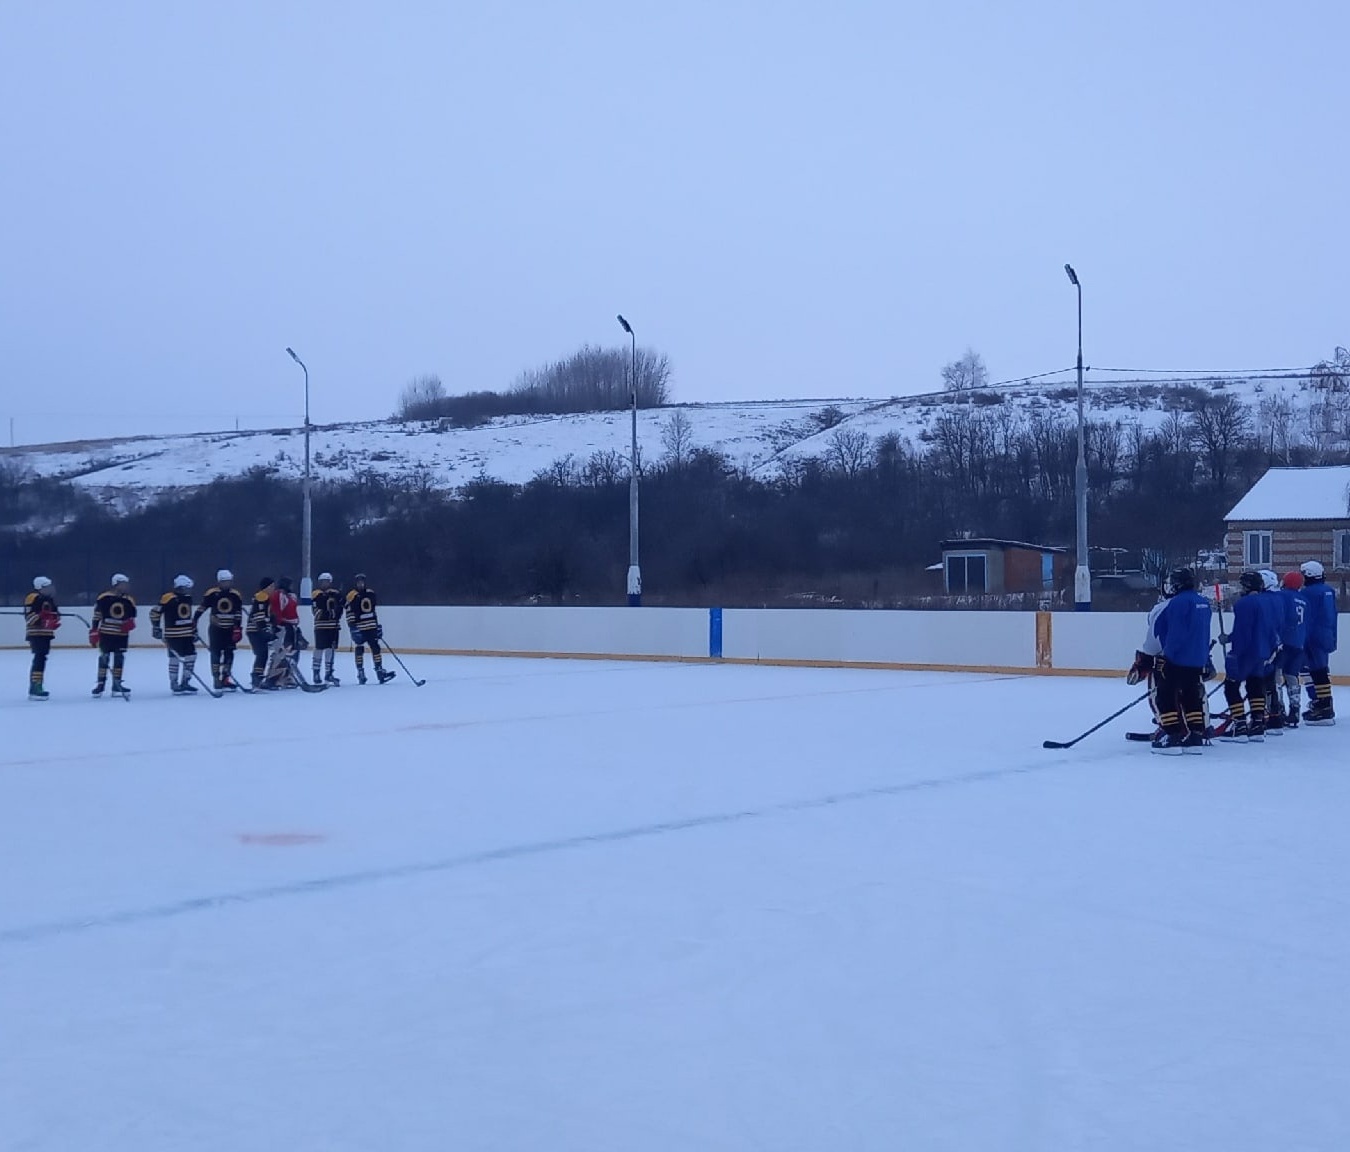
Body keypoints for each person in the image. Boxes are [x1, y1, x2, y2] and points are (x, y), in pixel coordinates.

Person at [1151, 567, 1212, 754]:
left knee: (1165, 695)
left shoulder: (1177, 603)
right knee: (1192, 697)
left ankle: (1172, 736)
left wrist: (1166, 656)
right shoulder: (1204, 602)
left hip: (1178, 658)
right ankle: (1195, 736)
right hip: (1198, 659)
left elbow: (1176, 634)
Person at [1218, 570, 1280, 741]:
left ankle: (1239, 726)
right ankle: (1258, 724)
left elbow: (1243, 632)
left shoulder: (1244, 604)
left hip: (1245, 653)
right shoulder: (1268, 602)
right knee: (1255, 686)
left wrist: (1233, 647)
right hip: (1263, 652)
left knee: (1231, 687)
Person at [194, 569, 245, 690]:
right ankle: (216, 678)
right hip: (216, 628)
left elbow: (238, 613)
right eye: (225, 581)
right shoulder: (212, 593)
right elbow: (203, 607)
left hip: (230, 629)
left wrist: (237, 628)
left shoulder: (235, 594)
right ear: (219, 581)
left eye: (229, 581)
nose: (227, 584)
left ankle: (225, 678)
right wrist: (194, 620)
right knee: (215, 653)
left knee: (229, 653)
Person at [1300, 559, 1338, 725]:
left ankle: (1323, 706)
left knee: (1315, 671)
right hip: (1327, 634)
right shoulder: (1328, 590)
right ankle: (1324, 703)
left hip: (1312, 636)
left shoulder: (1307, 593)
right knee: (1322, 669)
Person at [151, 575, 200, 694]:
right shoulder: (168, 598)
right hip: (173, 635)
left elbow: (187, 616)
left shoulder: (188, 598)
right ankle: (174, 683)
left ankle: (186, 681)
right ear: (181, 587)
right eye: (188, 587)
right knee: (174, 658)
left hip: (187, 634)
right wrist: (156, 627)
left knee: (191, 656)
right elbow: (155, 612)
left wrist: (194, 630)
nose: (189, 590)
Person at [91, 573, 137, 697]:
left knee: (119, 657)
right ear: (116, 584)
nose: (127, 586)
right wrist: (94, 629)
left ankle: (117, 684)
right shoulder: (104, 598)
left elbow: (132, 616)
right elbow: (97, 615)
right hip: (106, 633)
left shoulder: (129, 600)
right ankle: (100, 684)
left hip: (121, 635)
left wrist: (130, 623)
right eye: (124, 584)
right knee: (104, 657)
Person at [344, 573, 394, 684]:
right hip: (359, 627)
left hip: (371, 625)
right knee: (359, 648)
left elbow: (373, 610)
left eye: (362, 582)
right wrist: (352, 627)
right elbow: (349, 612)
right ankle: (361, 673)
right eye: (358, 582)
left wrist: (377, 625)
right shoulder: (351, 595)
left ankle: (379, 672)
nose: (361, 584)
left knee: (375, 647)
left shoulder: (371, 593)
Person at [1276, 570, 1308, 729]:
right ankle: (1295, 710)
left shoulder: (1282, 596)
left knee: (1275, 673)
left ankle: (1278, 709)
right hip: (1298, 643)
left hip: (1284, 641)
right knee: (1292, 676)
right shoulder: (1303, 600)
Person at [263, 576, 307, 688]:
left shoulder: (291, 596)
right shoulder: (279, 595)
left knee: (293, 652)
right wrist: (276, 626)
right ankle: (273, 678)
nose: (292, 587)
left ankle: (287, 676)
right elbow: (277, 612)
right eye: (290, 584)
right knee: (281, 653)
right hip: (283, 627)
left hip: (292, 627)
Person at [1257, 570, 1287, 732]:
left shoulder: (1264, 599)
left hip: (1266, 646)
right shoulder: (1279, 598)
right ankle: (1276, 712)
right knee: (1274, 681)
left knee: (1263, 682)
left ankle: (1266, 714)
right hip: (1278, 643)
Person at [24, 576, 61, 700]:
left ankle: (38, 684)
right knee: (39, 657)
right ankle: (35, 686)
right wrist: (40, 617)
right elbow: (29, 617)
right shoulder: (33, 598)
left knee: (42, 658)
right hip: (36, 633)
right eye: (47, 587)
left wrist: (53, 621)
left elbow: (56, 614)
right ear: (40, 587)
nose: (50, 589)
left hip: (46, 634)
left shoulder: (50, 600)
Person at [311, 572, 343, 686]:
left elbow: (340, 607)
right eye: (323, 582)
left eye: (327, 581)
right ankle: (316, 672)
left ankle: (329, 673)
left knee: (331, 649)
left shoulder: (335, 594)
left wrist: (337, 610)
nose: (325, 584)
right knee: (319, 648)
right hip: (321, 626)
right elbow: (317, 609)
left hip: (333, 626)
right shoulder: (316, 594)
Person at [245, 577, 276, 689]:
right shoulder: (262, 596)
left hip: (257, 630)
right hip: (255, 631)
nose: (273, 588)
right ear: (266, 587)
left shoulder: (265, 597)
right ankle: (256, 677)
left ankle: (258, 676)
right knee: (262, 654)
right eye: (271, 586)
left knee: (263, 654)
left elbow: (266, 615)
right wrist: (264, 630)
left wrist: (272, 624)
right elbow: (259, 616)